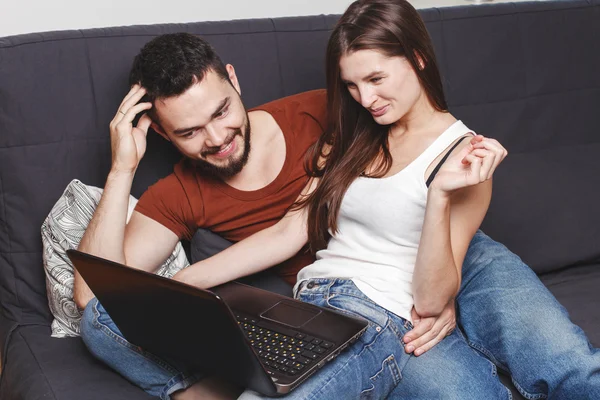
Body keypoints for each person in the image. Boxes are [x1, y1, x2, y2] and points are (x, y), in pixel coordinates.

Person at [76, 6, 599, 400]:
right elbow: (290, 230)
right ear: (165, 135)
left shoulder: (364, 122)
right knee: (101, 320)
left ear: (234, 81)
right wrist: (168, 283)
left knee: (567, 363)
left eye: (221, 112)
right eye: (190, 131)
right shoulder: (349, 128)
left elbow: (432, 280)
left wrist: (443, 282)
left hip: (444, 264)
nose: (216, 137)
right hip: (342, 295)